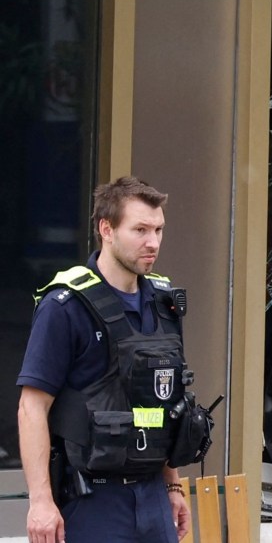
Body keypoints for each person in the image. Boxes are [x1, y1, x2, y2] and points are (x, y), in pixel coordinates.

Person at [17, 177, 191, 543]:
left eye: (158, 229)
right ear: (106, 230)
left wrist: (172, 486)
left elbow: (162, 403)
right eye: (140, 229)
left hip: (153, 499)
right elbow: (31, 407)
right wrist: (41, 502)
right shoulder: (65, 306)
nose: (153, 242)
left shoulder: (163, 302)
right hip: (93, 499)